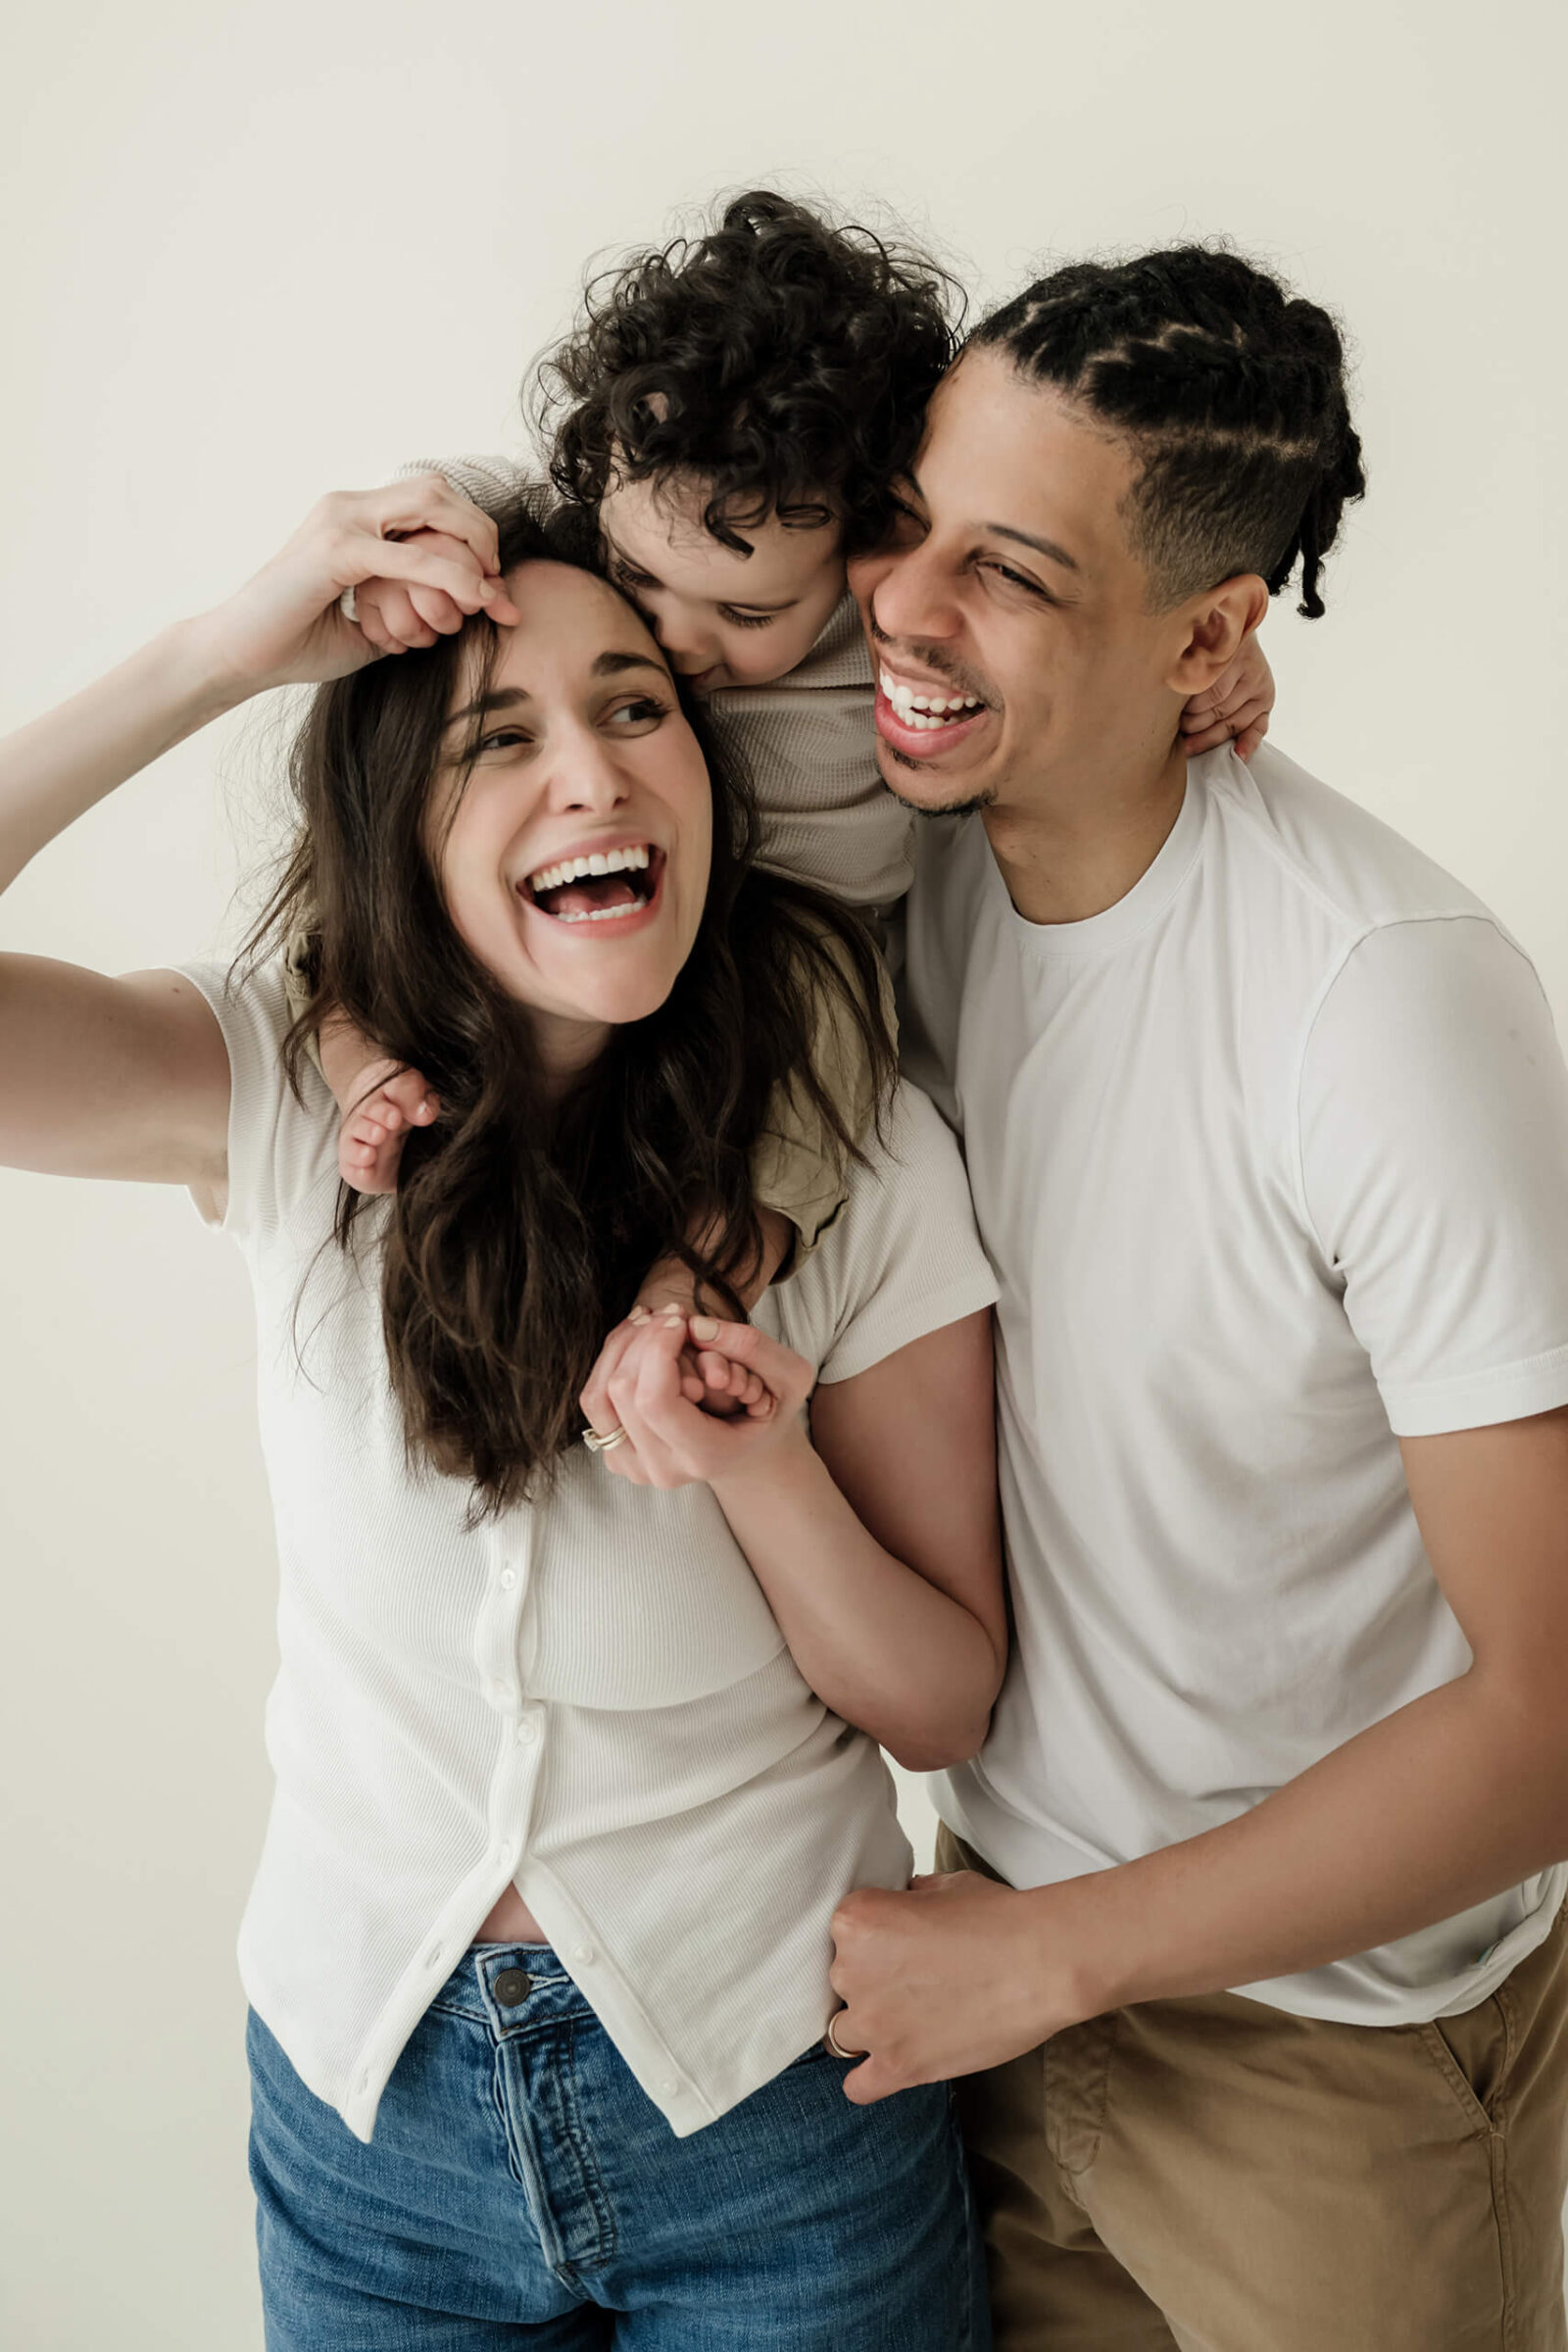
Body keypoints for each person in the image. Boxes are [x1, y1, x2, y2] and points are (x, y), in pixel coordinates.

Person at [0, 480, 1005, 2347]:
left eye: (636, 708)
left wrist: (765, 1470)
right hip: (369, 2123)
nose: (596, 775)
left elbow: (943, 1698)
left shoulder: (854, 1151)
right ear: (399, 827)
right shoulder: (276, 1092)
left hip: (776, 2105)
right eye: (499, 740)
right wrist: (221, 653)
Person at [812, 247, 1568, 2350]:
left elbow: (1548, 1713)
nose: (900, 604)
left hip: (1325, 2063)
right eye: (905, 518)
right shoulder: (892, 857)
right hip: (978, 1990)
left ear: (1212, 638)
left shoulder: (1380, 1002)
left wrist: (1054, 1955)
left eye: (1008, 573)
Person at [327, 192, 1275, 1207]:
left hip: (793, 929)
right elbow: (463, 495)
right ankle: (360, 1072)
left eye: (747, 612)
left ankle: (739, 1241)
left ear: (859, 551)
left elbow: (1061, 633)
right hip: (604, 899)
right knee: (359, 911)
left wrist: (1214, 658)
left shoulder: (888, 632)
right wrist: (401, 554)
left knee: (835, 1015)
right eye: (640, 576)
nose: (675, 639)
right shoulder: (590, 548)